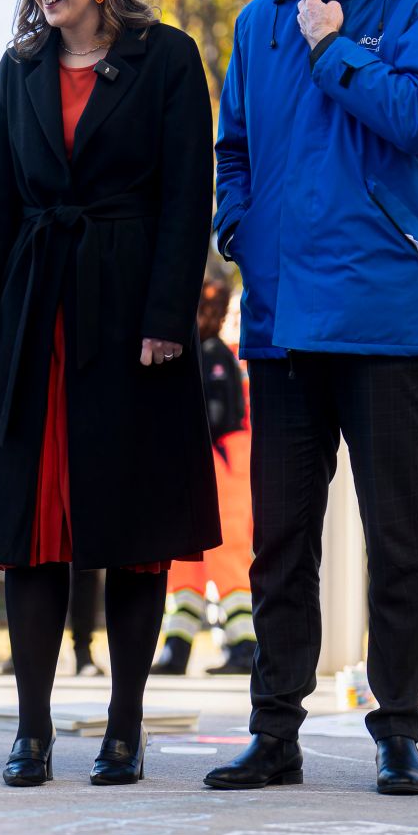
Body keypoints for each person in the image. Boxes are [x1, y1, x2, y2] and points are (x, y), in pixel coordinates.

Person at [207, 0, 418, 797]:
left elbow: (416, 117)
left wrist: (332, 46)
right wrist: (238, 227)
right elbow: (231, 147)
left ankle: (398, 730)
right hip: (281, 319)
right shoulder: (260, 20)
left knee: (397, 537)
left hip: (386, 313)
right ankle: (274, 732)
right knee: (280, 544)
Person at [0, 0, 220, 788]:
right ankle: (31, 732)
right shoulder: (19, 68)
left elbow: (190, 197)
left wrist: (165, 317)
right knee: (32, 523)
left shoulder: (169, 58)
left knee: (133, 524)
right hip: (37, 309)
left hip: (130, 309)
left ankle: (124, 730)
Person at [152, 278, 256, 676]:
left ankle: (245, 645)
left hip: (222, 461)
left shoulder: (216, 355)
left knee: (225, 553)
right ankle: (177, 646)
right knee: (184, 560)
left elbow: (218, 415)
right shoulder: (216, 353)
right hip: (211, 460)